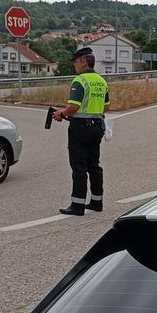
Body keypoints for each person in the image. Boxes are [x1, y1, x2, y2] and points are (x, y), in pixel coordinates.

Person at [54, 47, 108, 215]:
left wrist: (61, 114)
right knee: (94, 165)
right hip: (97, 126)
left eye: (76, 62)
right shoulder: (101, 81)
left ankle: (77, 205)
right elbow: (106, 106)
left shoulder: (80, 81)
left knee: (79, 167)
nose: (74, 65)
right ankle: (97, 202)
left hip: (80, 128)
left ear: (84, 62)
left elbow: (74, 106)